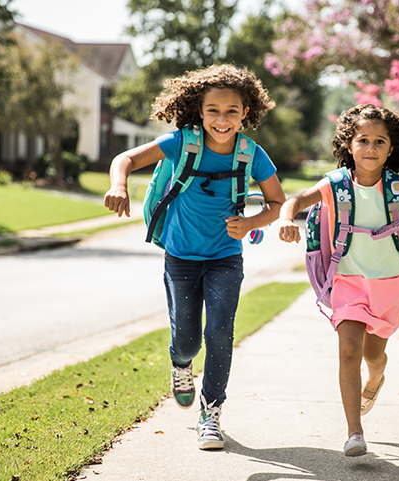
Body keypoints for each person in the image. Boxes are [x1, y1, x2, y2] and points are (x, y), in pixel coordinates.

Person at [104, 64, 285, 451]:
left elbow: (277, 203)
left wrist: (253, 220)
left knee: (220, 332)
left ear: (245, 113)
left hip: (225, 257)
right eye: (213, 111)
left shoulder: (251, 153)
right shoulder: (181, 142)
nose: (222, 119)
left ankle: (211, 413)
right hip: (181, 257)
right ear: (199, 112)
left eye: (232, 111)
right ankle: (180, 364)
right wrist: (119, 184)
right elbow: (126, 159)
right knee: (186, 340)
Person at [278, 104, 399, 457]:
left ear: (390, 149)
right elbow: (294, 201)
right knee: (349, 351)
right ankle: (354, 433)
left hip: (392, 283)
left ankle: (376, 380)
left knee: (374, 355)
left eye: (379, 141)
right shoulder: (334, 185)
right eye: (363, 140)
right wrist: (284, 218)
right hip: (348, 281)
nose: (370, 148)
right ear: (349, 145)